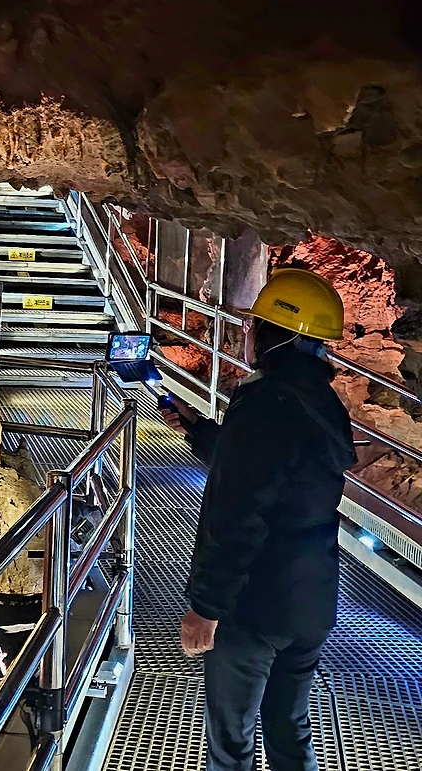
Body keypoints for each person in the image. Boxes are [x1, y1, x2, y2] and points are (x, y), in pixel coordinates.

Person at [158, 268, 356, 771]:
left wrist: (206, 606)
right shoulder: (322, 402)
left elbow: (239, 511)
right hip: (309, 600)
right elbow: (276, 471)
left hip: (254, 605)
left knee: (232, 744)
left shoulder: (266, 402)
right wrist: (201, 432)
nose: (247, 333)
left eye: (255, 325)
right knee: (289, 733)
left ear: (277, 334)